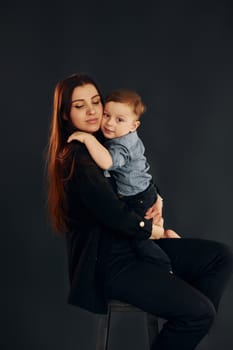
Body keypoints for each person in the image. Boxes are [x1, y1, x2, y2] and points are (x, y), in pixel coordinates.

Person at [46, 73, 233, 350]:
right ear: (64, 114)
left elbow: (133, 171)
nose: (92, 111)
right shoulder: (78, 157)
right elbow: (115, 215)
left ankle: (187, 318)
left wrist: (157, 196)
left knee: (220, 257)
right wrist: (154, 231)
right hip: (112, 263)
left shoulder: (108, 138)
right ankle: (191, 315)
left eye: (96, 102)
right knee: (199, 313)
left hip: (135, 245)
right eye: (79, 106)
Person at [67, 88, 179, 272]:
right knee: (142, 235)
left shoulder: (123, 143)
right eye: (106, 115)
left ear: (134, 126)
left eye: (119, 120)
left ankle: (166, 269)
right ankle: (168, 237)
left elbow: (107, 162)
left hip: (137, 197)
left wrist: (88, 139)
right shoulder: (122, 135)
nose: (110, 123)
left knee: (139, 241)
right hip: (144, 191)